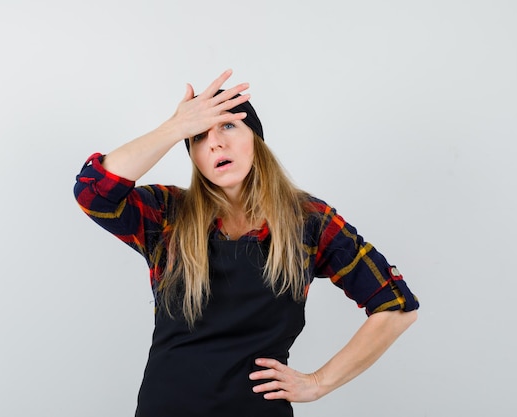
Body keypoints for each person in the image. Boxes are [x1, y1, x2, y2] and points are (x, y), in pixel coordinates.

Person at [73, 69, 419, 417]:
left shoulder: (308, 220)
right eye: (198, 136)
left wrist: (318, 382)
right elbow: (92, 192)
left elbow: (396, 305)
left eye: (227, 125)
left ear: (255, 137)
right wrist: (175, 128)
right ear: (193, 156)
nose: (215, 143)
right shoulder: (168, 214)